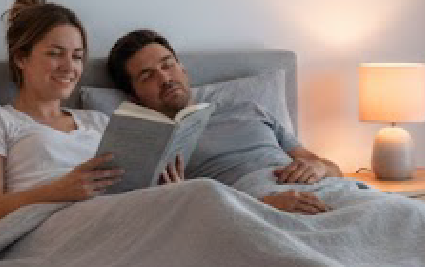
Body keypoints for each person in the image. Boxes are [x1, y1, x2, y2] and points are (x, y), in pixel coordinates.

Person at [106, 29, 342, 215]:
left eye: (168, 65)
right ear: (134, 96)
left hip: (325, 190)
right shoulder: (155, 147)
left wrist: (319, 168)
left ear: (183, 69)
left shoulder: (250, 109)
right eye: (148, 76)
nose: (165, 78)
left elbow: (333, 169)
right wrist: (264, 205)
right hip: (251, 208)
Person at [0, 0, 129, 228]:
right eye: (55, 54)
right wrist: (59, 190)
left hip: (117, 219)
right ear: (20, 58)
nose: (69, 67)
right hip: (51, 230)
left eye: (77, 57)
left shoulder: (98, 121)